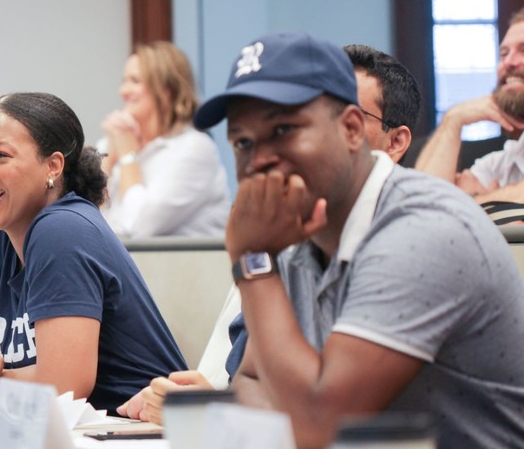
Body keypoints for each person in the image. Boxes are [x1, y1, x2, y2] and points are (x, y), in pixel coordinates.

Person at [118, 43, 425, 418]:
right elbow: (248, 383)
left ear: (351, 128)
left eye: (283, 130)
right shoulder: (298, 236)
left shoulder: (417, 232)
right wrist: (209, 405)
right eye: (243, 142)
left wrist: (251, 261)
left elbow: (327, 424)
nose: (260, 160)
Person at [0, 92, 187, 412]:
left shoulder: (62, 230)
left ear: (52, 166)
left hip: (138, 430)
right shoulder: (0, 243)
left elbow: (63, 388)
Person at [99, 41, 230, 238]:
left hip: (186, 267)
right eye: (124, 81)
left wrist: (128, 158)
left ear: (166, 90)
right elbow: (80, 221)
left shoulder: (195, 148)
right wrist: (107, 161)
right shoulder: (113, 142)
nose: (123, 91)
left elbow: (138, 227)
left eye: (135, 81)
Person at [415, 6, 524, 202]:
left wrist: (476, 202)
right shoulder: (505, 163)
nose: (509, 62)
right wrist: (454, 119)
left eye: (523, 51)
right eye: (504, 54)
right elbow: (423, 207)